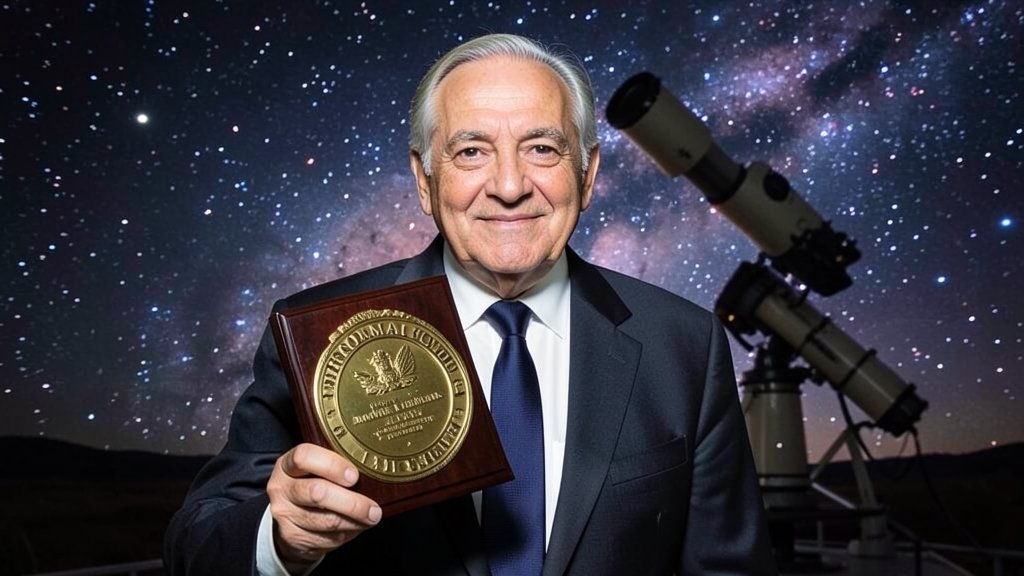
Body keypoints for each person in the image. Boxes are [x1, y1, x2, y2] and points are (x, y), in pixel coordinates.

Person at [164, 33, 776, 576]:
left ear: (587, 176)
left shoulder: (685, 345)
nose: (509, 186)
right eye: (471, 151)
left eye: (542, 148)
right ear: (425, 181)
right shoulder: (318, 335)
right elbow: (194, 546)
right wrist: (283, 540)